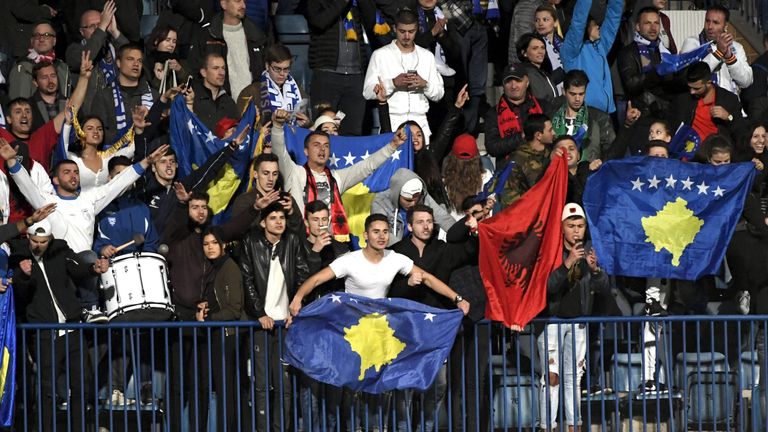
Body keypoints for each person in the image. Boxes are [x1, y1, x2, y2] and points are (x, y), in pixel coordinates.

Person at [1, 136, 169, 322]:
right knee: (88, 257)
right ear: (55, 180)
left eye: (76, 172)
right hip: (59, 267)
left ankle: (91, 309)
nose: (73, 176)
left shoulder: (89, 199)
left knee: (90, 257)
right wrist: (10, 161)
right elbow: (28, 187)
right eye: (67, 172)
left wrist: (146, 162)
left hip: (85, 270)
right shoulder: (48, 202)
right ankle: (90, 307)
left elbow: (118, 184)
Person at [162, 182, 261, 432]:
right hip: (180, 317)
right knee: (176, 383)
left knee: (202, 383)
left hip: (205, 319)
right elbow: (170, 226)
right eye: (195, 207)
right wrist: (181, 204)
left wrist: (255, 209)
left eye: (204, 207)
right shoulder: (177, 235)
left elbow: (234, 227)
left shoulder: (212, 237)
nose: (200, 211)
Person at [9, 216, 110, 431]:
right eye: (34, 241)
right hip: (45, 333)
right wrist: (25, 276)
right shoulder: (19, 257)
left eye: (43, 242)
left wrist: (94, 269)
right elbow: (20, 295)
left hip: (72, 329)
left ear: (50, 239)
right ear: (28, 237)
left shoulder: (61, 250)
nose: (38, 246)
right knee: (46, 390)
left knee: (81, 386)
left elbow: (78, 269)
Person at [390, 204, 476, 432]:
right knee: (405, 385)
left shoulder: (442, 249)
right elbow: (388, 291)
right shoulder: (397, 251)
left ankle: (427, 427)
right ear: (409, 226)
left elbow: (470, 250)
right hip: (406, 329)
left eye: (429, 221)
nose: (426, 226)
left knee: (439, 383)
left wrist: (475, 230)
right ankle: (403, 428)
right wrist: (405, 285)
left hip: (436, 329)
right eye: (420, 222)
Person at [289, 213, 470, 315]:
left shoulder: (394, 258)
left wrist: (458, 299)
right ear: (366, 235)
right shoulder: (350, 260)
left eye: (385, 232)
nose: (381, 236)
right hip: (352, 325)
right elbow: (316, 280)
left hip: (380, 326)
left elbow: (428, 279)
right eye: (376, 232)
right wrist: (297, 299)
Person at [270, 108, 408, 236]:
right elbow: (279, 151)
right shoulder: (294, 173)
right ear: (306, 151)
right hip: (300, 239)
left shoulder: (337, 178)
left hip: (331, 242)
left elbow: (367, 166)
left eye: (326, 146)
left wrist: (393, 146)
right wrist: (277, 126)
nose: (322, 150)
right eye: (316, 145)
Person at [538, 203, 609, 432]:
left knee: (574, 378)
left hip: (579, 323)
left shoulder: (590, 249)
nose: (576, 231)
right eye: (571, 226)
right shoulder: (552, 249)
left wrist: (596, 271)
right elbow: (547, 287)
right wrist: (568, 262)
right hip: (552, 322)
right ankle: (547, 426)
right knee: (552, 377)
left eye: (580, 226)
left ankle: (573, 426)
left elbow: (604, 288)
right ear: (562, 228)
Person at [240, 202, 311, 432]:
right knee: (261, 384)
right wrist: (259, 313)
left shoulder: (292, 240)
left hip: (285, 324)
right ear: (263, 222)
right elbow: (247, 279)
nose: (279, 221)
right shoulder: (250, 242)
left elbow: (302, 275)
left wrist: (295, 310)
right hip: (261, 324)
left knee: (284, 385)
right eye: (273, 218)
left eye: (281, 217)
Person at [0, 49, 93, 173]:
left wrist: (83, 78)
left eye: (28, 111)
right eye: (18, 112)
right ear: (8, 119)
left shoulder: (42, 137)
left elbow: (71, 109)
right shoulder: (3, 139)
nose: (24, 115)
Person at [363, 8, 444, 145]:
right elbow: (367, 92)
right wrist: (393, 83)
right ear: (395, 28)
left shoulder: (426, 56)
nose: (407, 36)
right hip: (392, 123)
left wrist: (425, 84)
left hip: (420, 125)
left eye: (411, 32)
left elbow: (439, 94)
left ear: (417, 29)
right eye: (402, 31)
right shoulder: (380, 55)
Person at [198, 226, 244, 432]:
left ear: (223, 245)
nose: (210, 248)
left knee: (227, 391)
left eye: (214, 243)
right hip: (217, 335)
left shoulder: (229, 267)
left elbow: (234, 309)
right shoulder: (214, 268)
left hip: (227, 336)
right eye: (206, 244)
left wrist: (208, 319)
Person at [189, 0, 269, 102]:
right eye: (237, 1)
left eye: (244, 1)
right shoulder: (207, 35)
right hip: (219, 108)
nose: (243, 5)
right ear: (224, 4)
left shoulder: (257, 35)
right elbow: (196, 72)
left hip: (253, 107)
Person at [560, 0, 623, 114]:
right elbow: (578, 22)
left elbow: (613, 18)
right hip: (583, 111)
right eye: (594, 25)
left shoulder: (599, 46)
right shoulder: (571, 51)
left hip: (605, 112)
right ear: (586, 28)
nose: (598, 26)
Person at [64, 3, 129, 109]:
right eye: (91, 26)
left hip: (119, 108)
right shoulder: (74, 50)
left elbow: (132, 57)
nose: (97, 29)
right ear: (82, 31)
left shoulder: (114, 47)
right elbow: (88, 55)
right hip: (91, 114)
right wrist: (102, 27)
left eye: (99, 24)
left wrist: (115, 32)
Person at [93, 155, 160, 259]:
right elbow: (93, 242)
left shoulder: (142, 207)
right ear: (110, 178)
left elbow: (151, 242)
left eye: (128, 175)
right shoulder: (99, 207)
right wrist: (102, 249)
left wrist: (145, 258)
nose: (125, 180)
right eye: (120, 176)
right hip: (111, 268)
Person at [91, 43, 158, 144]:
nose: (136, 64)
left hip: (148, 152)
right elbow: (99, 130)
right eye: (130, 59)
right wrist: (128, 143)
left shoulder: (154, 95)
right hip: (115, 154)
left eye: (139, 60)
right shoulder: (104, 95)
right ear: (118, 63)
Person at [680, 4, 752, 96]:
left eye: (715, 22)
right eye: (707, 21)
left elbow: (746, 82)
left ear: (725, 25)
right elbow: (692, 76)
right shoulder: (692, 43)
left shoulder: (737, 47)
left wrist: (730, 58)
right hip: (700, 103)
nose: (709, 26)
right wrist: (718, 53)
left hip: (729, 105)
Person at [371, 168, 457, 246]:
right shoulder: (380, 202)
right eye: (408, 200)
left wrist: (459, 234)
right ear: (397, 194)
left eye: (417, 199)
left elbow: (443, 218)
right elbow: (382, 233)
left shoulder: (422, 196)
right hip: (391, 251)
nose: (413, 204)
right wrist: (405, 251)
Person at [484, 63, 548, 167]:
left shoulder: (543, 106)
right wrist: (522, 137)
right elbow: (492, 147)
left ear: (527, 82)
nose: (513, 86)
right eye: (508, 82)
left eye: (518, 80)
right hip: (509, 173)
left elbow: (552, 136)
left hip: (540, 168)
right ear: (503, 85)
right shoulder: (493, 113)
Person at [671, 61, 746, 149]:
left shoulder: (728, 99)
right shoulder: (684, 99)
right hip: (688, 153)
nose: (692, 92)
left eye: (696, 88)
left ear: (709, 83)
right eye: (690, 87)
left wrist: (728, 117)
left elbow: (741, 130)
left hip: (716, 152)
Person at [548, 69, 616, 161]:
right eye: (573, 94)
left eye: (581, 94)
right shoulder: (551, 118)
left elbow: (611, 152)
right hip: (558, 172)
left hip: (589, 172)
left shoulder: (600, 118)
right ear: (564, 91)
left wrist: (598, 164)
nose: (577, 99)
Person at [231, 152, 303, 231]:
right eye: (266, 173)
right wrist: (256, 209)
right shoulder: (244, 201)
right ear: (255, 174)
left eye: (274, 174)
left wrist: (291, 213)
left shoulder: (285, 200)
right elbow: (236, 230)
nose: (271, 179)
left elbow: (300, 233)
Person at [495, 113, 554, 208]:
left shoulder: (552, 152)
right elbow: (507, 193)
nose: (554, 133)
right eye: (550, 130)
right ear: (538, 135)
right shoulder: (517, 159)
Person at [8, 21, 70, 100]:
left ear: (54, 41)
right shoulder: (23, 67)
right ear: (32, 41)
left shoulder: (62, 67)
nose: (41, 39)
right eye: (37, 35)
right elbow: (19, 104)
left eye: (47, 35)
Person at [192, 52, 239, 131]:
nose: (221, 73)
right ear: (204, 72)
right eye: (216, 68)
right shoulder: (192, 98)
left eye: (223, 68)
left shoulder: (229, 102)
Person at [517, 33, 562, 105]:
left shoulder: (539, 72)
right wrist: (564, 98)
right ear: (524, 53)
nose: (540, 52)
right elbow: (542, 102)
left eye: (542, 48)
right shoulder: (529, 73)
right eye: (535, 48)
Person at [144, 23, 189, 92]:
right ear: (156, 41)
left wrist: (180, 70)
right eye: (167, 40)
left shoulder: (179, 61)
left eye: (174, 41)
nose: (171, 45)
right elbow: (149, 91)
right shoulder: (147, 62)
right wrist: (159, 78)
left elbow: (189, 86)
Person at [28, 62, 67, 131]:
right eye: (44, 77)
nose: (50, 81)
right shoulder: (29, 106)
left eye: (53, 76)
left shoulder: (68, 103)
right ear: (35, 82)